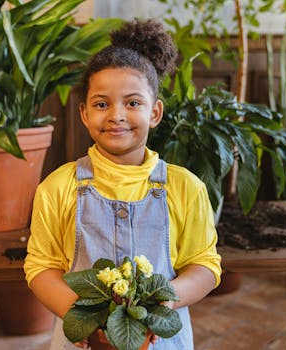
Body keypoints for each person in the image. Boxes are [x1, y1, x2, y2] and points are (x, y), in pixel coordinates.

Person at [24, 18, 222, 349]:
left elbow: (204, 264)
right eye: (102, 104)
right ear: (84, 113)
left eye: (132, 103)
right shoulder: (57, 188)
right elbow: (40, 267)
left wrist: (164, 305)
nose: (116, 115)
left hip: (161, 340)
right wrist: (83, 320)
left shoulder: (185, 187)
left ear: (155, 113)